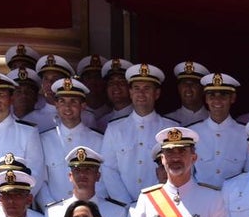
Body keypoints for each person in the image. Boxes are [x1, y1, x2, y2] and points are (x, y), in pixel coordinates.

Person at [102, 63, 178, 205]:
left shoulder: (171, 129)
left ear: (157, 94)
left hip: (162, 204)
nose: (141, 93)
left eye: (147, 88)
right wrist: (126, 203)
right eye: (136, 88)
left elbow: (178, 166)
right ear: (130, 93)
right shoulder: (114, 129)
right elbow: (108, 169)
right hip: (124, 207)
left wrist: (155, 199)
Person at [39, 77, 105, 205]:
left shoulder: (99, 140)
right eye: (62, 101)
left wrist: (91, 208)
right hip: (55, 212)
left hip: (90, 211)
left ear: (83, 106)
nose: (67, 107)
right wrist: (52, 209)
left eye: (73, 101)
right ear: (56, 105)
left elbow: (103, 180)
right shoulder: (44, 140)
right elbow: (41, 183)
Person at [191, 72, 247, 186]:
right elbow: (188, 175)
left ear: (233, 98)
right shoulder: (193, 133)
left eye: (223, 95)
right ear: (206, 99)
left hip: (234, 199)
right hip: (201, 198)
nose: (217, 100)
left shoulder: (245, 134)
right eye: (212, 95)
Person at [167, 60, 210, 126]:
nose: (188, 88)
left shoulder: (214, 119)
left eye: (194, 83)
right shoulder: (168, 120)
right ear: (179, 88)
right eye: (184, 83)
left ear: (203, 89)